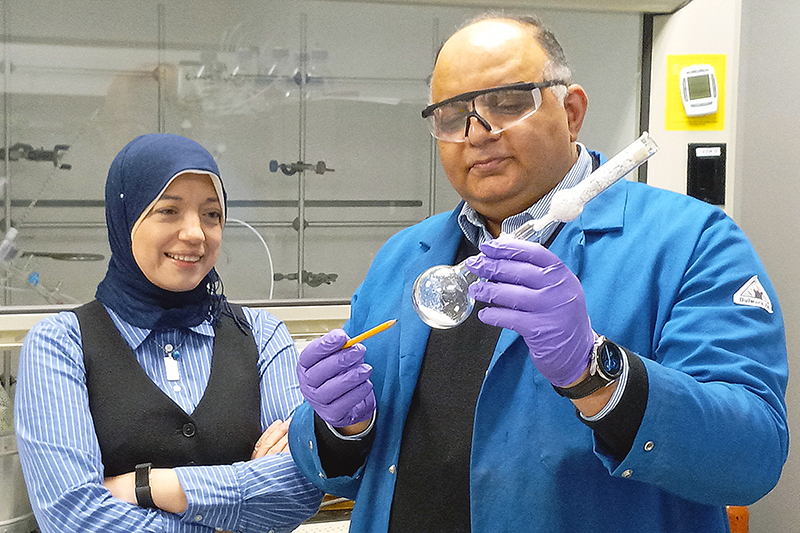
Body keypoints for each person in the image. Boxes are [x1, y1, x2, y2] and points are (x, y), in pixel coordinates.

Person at [287, 14, 789, 533]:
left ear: (572, 111)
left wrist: (595, 374)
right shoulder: (403, 258)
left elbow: (752, 456)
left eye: (506, 103)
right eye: (451, 115)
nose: (476, 134)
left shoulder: (691, 242)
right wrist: (340, 429)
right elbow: (345, 472)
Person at [15, 133, 323, 533]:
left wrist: (149, 486)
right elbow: (73, 517)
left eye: (211, 214)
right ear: (126, 219)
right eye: (168, 211)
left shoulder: (261, 336)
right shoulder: (60, 344)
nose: (196, 233)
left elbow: (301, 487)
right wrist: (232, 514)